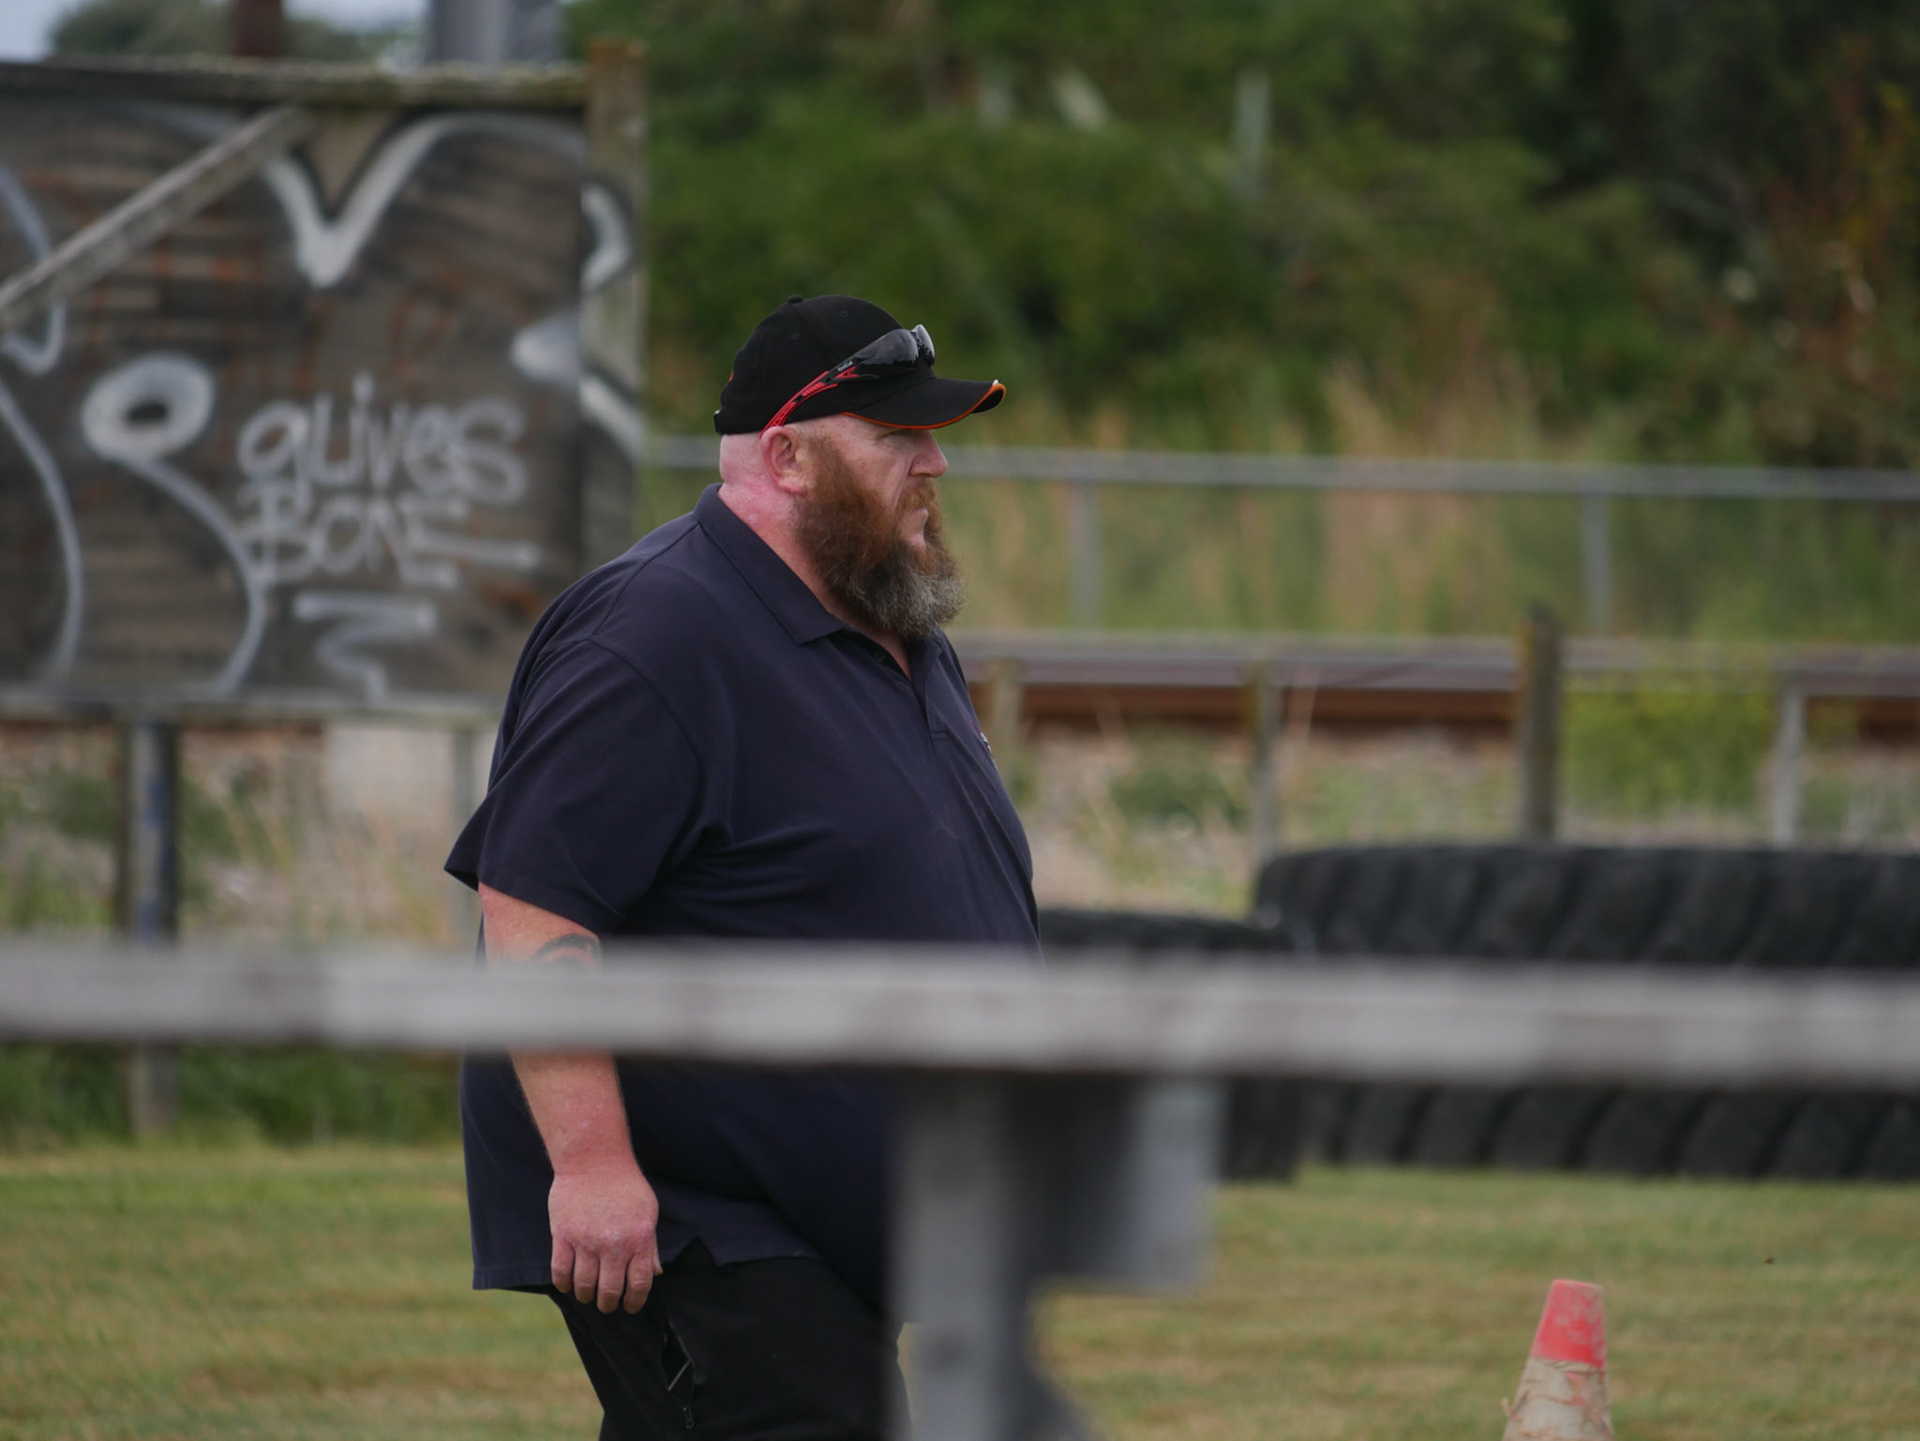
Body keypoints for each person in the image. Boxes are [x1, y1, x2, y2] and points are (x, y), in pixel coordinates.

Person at [446, 294, 1038, 1439]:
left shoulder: (892, 619)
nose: (934, 465)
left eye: (934, 437)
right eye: (898, 437)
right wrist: (595, 1166)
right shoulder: (657, 631)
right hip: (707, 1218)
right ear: (788, 457)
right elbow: (533, 906)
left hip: (824, 1226)